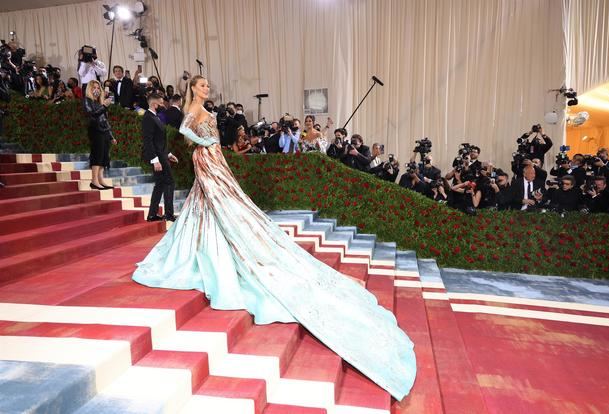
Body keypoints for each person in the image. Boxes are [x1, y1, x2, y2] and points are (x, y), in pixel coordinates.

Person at [132, 75, 416, 401]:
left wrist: (215, 154)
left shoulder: (205, 111)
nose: (207, 89)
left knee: (218, 205)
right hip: (205, 161)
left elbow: (209, 141)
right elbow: (191, 137)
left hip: (216, 160)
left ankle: (208, 244)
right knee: (212, 204)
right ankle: (203, 247)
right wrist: (204, 151)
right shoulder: (192, 112)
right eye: (202, 86)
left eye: (208, 86)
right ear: (193, 88)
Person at [142, 92, 178, 222]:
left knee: (160, 184)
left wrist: (168, 154)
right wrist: (155, 160)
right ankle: (169, 214)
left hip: (161, 155)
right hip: (157, 157)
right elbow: (148, 141)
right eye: (161, 103)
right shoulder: (148, 117)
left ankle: (152, 214)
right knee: (169, 182)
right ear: (154, 103)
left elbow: (159, 140)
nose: (163, 105)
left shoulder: (155, 117)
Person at [83, 80, 116, 190]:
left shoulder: (100, 102)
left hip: (104, 131)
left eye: (98, 88)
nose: (96, 90)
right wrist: (104, 107)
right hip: (95, 130)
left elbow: (105, 121)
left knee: (104, 155)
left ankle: (100, 179)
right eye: (94, 88)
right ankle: (94, 180)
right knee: (97, 154)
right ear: (90, 89)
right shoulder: (87, 101)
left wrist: (111, 136)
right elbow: (92, 115)